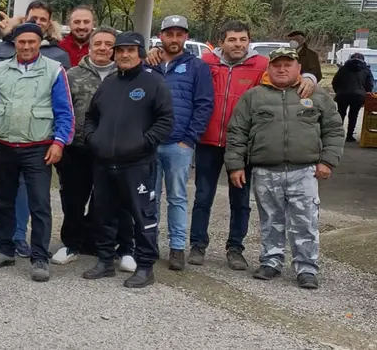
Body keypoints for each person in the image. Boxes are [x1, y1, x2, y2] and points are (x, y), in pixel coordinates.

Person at [154, 22, 317, 270]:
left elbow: (288, 74)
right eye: (232, 39)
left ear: (249, 42)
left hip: (242, 144)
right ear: (222, 42)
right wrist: (151, 52)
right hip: (209, 141)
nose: (238, 44)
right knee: (203, 197)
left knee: (240, 199)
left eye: (242, 39)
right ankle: (198, 245)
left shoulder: (261, 65)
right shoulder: (206, 62)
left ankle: (235, 248)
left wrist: (309, 78)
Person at [227, 47, 344, 289]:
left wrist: (327, 161)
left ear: (298, 68)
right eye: (277, 65)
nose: (282, 69)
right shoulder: (253, 97)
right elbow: (237, 132)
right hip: (265, 171)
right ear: (269, 69)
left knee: (306, 221)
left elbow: (333, 129)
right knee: (270, 220)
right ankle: (271, 261)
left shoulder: (317, 96)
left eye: (287, 65)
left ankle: (307, 268)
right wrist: (235, 165)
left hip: (305, 171)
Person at [0, 22, 74, 283]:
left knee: (40, 204)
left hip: (38, 148)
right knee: (3, 200)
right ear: (15, 43)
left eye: (32, 41)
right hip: (3, 146)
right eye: (22, 42)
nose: (27, 46)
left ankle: (39, 257)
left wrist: (59, 143)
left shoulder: (54, 71)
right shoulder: (1, 69)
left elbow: (65, 112)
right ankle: (4, 249)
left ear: (40, 43)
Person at [80, 32, 173, 288]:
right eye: (120, 50)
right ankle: (105, 261)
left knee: (143, 216)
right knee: (104, 214)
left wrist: (143, 143)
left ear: (140, 53)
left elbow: (165, 120)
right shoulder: (108, 84)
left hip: (138, 164)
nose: (124, 55)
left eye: (130, 50)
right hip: (104, 162)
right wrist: (92, 138)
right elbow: (91, 117)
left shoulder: (153, 83)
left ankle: (145, 267)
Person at [53, 28, 135, 269]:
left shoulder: (125, 76)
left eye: (108, 44)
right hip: (77, 149)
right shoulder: (71, 75)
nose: (102, 48)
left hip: (112, 151)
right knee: (73, 200)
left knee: (113, 201)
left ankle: (113, 246)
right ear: (89, 47)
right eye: (97, 43)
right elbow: (61, 109)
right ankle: (71, 244)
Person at [146, 15, 213, 270]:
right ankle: (148, 243)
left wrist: (189, 139)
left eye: (179, 34)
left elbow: (204, 104)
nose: (174, 39)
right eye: (169, 34)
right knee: (149, 198)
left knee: (177, 197)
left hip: (179, 145)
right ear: (160, 36)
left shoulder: (197, 67)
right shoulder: (149, 64)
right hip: (150, 144)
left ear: (186, 37)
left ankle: (176, 248)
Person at [331, 52, 373, 142]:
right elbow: (370, 85)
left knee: (341, 114)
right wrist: (365, 95)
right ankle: (349, 136)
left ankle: (337, 135)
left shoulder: (343, 69)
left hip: (342, 95)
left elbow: (335, 82)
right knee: (353, 115)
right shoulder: (365, 69)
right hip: (358, 96)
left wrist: (338, 91)